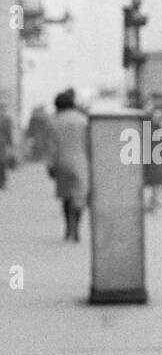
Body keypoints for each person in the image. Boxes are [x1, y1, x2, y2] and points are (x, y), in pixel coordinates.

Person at [47, 89, 90, 242]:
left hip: (61, 161)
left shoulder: (55, 121)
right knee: (79, 195)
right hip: (80, 161)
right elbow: (89, 143)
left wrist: (50, 165)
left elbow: (51, 145)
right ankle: (77, 227)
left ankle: (68, 227)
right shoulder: (83, 120)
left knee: (65, 196)